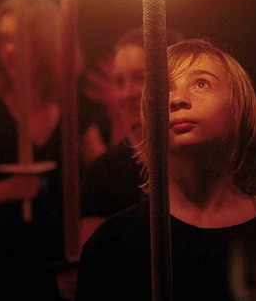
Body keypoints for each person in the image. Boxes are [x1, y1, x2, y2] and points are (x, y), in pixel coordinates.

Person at [76, 38, 256, 300]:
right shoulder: (112, 246)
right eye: (163, 89)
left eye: (201, 83)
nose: (176, 99)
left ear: (238, 108)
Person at [0, 0, 107, 301]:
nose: (9, 51)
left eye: (20, 40)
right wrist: (7, 190)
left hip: (60, 266)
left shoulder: (74, 112)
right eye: (2, 40)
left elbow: (106, 183)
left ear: (47, 45)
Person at [79, 25, 185, 242]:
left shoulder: (199, 158)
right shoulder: (104, 172)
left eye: (140, 78)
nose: (127, 93)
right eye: (119, 81)